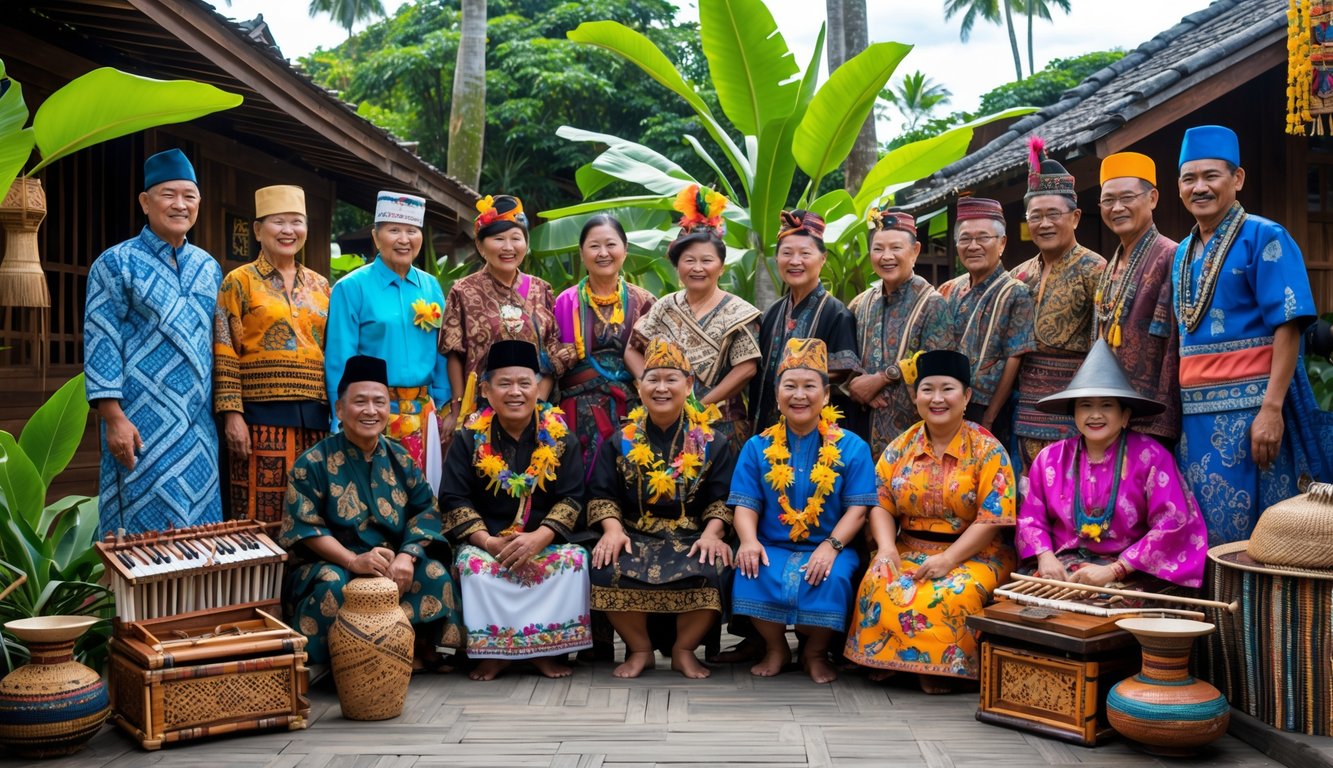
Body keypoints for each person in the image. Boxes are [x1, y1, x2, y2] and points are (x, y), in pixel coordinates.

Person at [1172, 125, 1333, 544]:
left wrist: (1272, 409)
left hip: (1253, 416)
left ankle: (1255, 613)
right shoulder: (1181, 255)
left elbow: (1289, 323)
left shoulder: (1265, 237)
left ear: (1237, 179)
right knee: (1203, 536)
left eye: (1212, 176)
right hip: (1195, 419)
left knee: (1262, 537)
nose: (1199, 187)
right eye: (1189, 178)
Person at [844, 350, 1017, 694]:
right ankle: (900, 663)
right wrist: (887, 548)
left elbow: (993, 518)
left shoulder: (987, 449)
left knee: (950, 594)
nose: (937, 399)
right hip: (908, 547)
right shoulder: (902, 446)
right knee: (879, 582)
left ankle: (939, 671)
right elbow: (879, 500)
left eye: (947, 389)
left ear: (966, 397)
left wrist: (949, 560)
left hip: (974, 554)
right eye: (927, 389)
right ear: (916, 396)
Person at [280, 355, 464, 669]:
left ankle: (409, 647)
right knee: (334, 585)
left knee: (434, 574)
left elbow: (427, 510)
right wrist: (354, 560)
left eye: (379, 402)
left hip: (391, 565)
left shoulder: (400, 457)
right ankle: (343, 659)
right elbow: (306, 527)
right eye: (360, 401)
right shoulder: (312, 463)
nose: (370, 410)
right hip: (335, 563)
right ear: (339, 409)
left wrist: (407, 556)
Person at [85, 148, 223, 535]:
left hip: (198, 426)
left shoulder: (208, 267)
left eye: (189, 196)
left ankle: (196, 600)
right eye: (168, 195)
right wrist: (113, 418)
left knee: (202, 536)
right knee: (141, 537)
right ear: (146, 202)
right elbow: (102, 341)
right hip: (140, 423)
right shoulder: (116, 262)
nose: (180, 204)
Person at [438, 340, 591, 680]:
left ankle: (545, 651)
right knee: (472, 566)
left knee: (574, 560)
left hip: (544, 539)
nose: (515, 392)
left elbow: (572, 497)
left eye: (524, 383)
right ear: (487, 391)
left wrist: (539, 538)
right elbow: (454, 499)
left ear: (539, 389)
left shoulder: (560, 436)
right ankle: (494, 653)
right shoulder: (468, 439)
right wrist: (488, 542)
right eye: (504, 384)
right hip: (488, 541)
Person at [730, 338, 877, 684]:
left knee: (834, 575)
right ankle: (775, 646)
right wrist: (749, 541)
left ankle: (814, 652)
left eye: (809, 386)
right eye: (790, 386)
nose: (799, 395)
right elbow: (745, 504)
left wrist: (832, 546)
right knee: (751, 568)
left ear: (826, 396)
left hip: (830, 545)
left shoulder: (852, 446)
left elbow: (858, 510)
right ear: (777, 394)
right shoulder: (757, 446)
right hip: (773, 544)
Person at [586, 339, 735, 679]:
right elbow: (601, 494)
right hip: (633, 533)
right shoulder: (620, 440)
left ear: (689, 385)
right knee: (605, 567)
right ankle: (639, 650)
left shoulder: (712, 441)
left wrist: (714, 533)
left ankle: (684, 650)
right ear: (639, 386)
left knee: (715, 569)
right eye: (653, 379)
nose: (662, 388)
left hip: (692, 535)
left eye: (672, 379)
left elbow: (722, 497)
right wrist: (612, 530)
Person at [1016, 340, 1207, 592]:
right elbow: (1031, 518)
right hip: (1063, 567)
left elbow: (1174, 521)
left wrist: (1115, 570)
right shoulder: (1049, 458)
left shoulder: (1151, 457)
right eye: (1086, 406)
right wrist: (1045, 556)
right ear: (1074, 413)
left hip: (1129, 570)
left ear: (1125, 415)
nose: (1095, 415)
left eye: (1106, 405)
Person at [214, 184, 331, 524]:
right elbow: (224, 349)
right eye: (278, 222)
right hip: (259, 416)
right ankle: (259, 579)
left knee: (310, 508)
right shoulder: (239, 281)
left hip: (315, 416)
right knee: (258, 511)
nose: (288, 231)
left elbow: (330, 349)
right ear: (257, 230)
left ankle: (306, 577)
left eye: (296, 222)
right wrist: (232, 414)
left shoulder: (321, 285)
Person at [324, 191, 450, 491]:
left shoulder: (431, 286)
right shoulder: (351, 287)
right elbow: (339, 358)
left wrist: (445, 405)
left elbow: (442, 350)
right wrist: (339, 414)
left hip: (423, 412)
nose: (404, 239)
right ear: (376, 236)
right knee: (375, 495)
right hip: (372, 412)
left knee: (422, 494)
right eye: (394, 230)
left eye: (412, 231)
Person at [629, 185, 761, 452]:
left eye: (707, 260)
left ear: (721, 267)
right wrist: (650, 385)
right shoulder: (664, 306)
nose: (698, 268)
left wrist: (700, 405)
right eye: (689, 260)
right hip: (665, 419)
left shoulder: (739, 311)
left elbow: (746, 368)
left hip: (721, 420)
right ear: (677, 267)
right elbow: (633, 349)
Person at [1010, 137, 1106, 471]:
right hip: (1022, 408)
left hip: (1073, 404)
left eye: (1054, 214)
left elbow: (1105, 343)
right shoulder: (1018, 275)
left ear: (1076, 217)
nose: (1045, 224)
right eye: (1036, 216)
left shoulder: (1096, 270)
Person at [440, 194, 572, 426]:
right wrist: (457, 406)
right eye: (499, 239)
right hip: (479, 409)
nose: (508, 247)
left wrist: (538, 402)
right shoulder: (463, 291)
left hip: (535, 406)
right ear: (481, 246)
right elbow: (454, 352)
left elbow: (552, 350)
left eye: (516, 238)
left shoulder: (542, 290)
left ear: (526, 244)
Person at [553, 215, 657, 472]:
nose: (603, 253)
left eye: (611, 244)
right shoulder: (565, 302)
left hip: (630, 408)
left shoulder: (644, 301)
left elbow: (657, 359)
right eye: (594, 246)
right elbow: (550, 359)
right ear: (581, 253)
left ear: (625, 249)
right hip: (576, 409)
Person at [1092, 152, 1181, 445]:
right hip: (1109, 410)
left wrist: (1162, 416)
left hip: (1150, 414)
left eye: (1127, 197)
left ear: (1152, 198)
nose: (1117, 208)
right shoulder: (1111, 264)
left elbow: (1173, 343)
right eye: (1108, 200)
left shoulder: (1170, 254)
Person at [846, 207, 950, 455]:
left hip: (913, 436)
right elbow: (844, 356)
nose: (886, 256)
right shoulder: (860, 304)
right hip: (860, 430)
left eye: (896, 248)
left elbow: (939, 364)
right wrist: (859, 387)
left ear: (915, 251)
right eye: (878, 249)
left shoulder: (932, 304)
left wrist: (881, 378)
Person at [937, 197, 1035, 448]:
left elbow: (1014, 357)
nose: (973, 246)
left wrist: (990, 416)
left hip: (987, 408)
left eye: (983, 238)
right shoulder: (948, 289)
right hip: (943, 405)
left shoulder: (1015, 292)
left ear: (1001, 243)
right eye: (965, 239)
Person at [749, 210, 859, 433]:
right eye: (787, 253)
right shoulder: (772, 312)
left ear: (823, 258)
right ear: (777, 258)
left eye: (805, 253)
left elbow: (845, 371)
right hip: (765, 430)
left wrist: (796, 381)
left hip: (816, 432)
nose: (795, 261)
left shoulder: (836, 313)